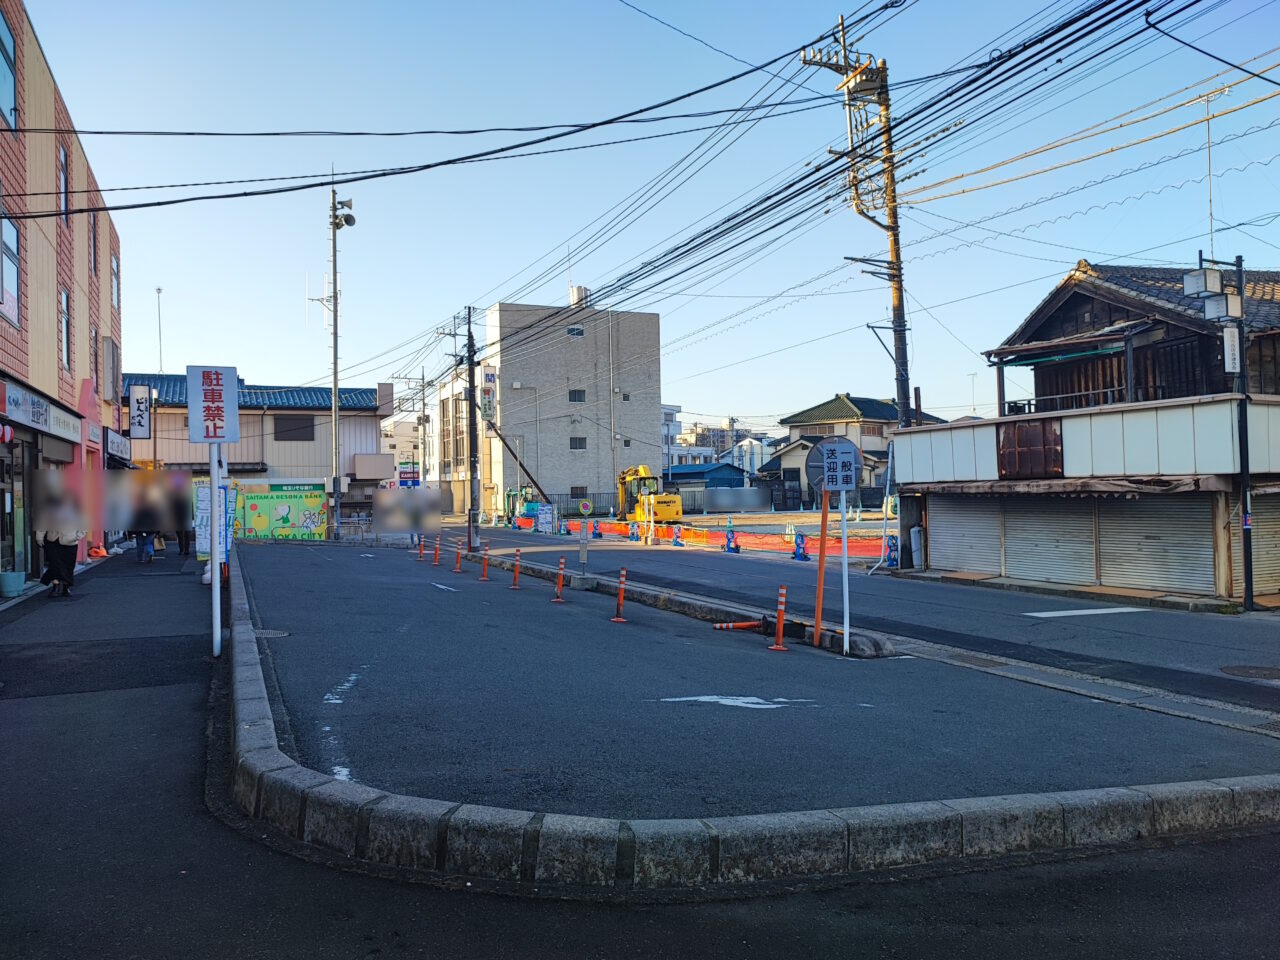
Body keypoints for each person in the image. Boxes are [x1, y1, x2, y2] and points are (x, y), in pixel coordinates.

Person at [37, 494, 84, 598]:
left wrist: (78, 536)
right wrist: (39, 537)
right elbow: (42, 524)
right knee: (54, 564)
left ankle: (66, 587)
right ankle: (56, 586)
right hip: (53, 540)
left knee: (68, 565)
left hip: (70, 542)